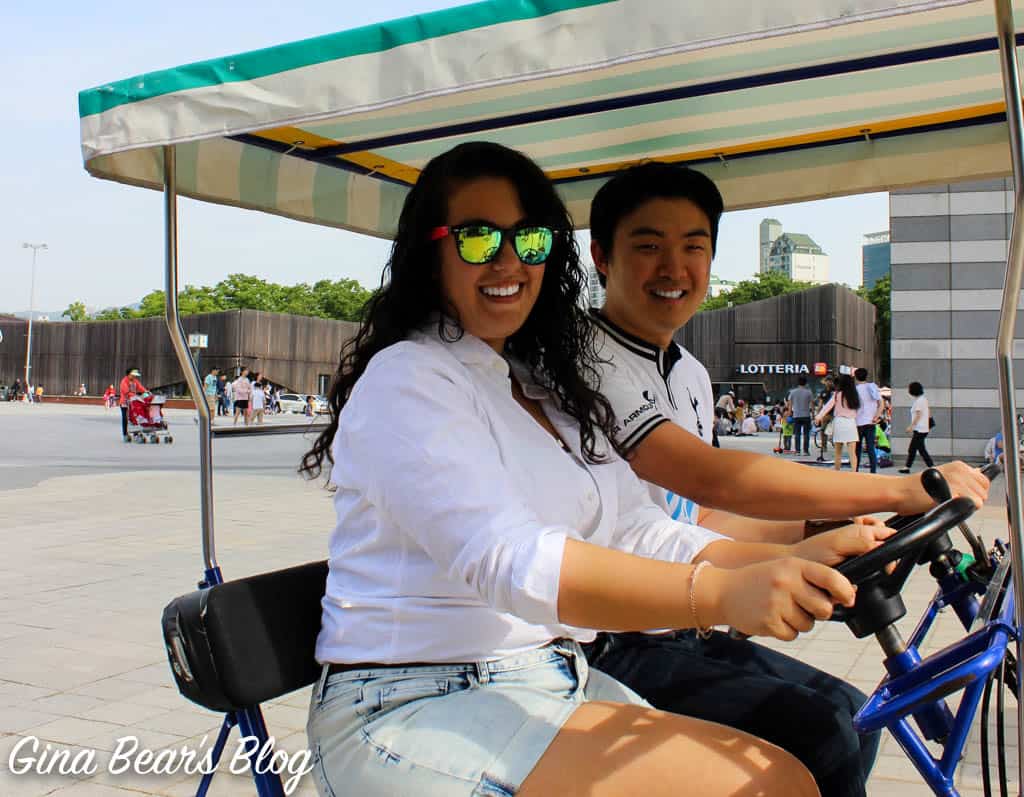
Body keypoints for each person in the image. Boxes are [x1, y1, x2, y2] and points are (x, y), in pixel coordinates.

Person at [296, 141, 901, 797]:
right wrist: (719, 595)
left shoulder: (538, 387)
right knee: (774, 782)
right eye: (477, 238)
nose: (508, 259)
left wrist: (787, 557)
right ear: (428, 249)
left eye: (529, 239)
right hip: (409, 703)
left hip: (547, 676)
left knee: (803, 753)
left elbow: (639, 528)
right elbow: (512, 559)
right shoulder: (409, 379)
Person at [584, 161, 991, 796]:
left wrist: (818, 527)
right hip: (612, 630)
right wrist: (901, 487)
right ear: (600, 256)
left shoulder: (689, 373)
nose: (673, 268)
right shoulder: (583, 359)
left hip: (685, 618)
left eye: (693, 248)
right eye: (647, 246)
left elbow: (697, 517)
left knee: (857, 716)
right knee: (822, 729)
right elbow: (718, 480)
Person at [816, 373, 861, 472]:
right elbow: (858, 411)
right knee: (852, 453)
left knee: (838, 452)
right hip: (851, 423)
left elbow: (827, 407)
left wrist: (819, 417)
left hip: (839, 422)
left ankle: (837, 472)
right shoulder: (855, 395)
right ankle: (854, 473)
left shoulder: (837, 395)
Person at [900, 381, 935, 472]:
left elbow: (918, 415)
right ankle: (908, 467)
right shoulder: (923, 399)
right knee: (918, 448)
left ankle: (930, 466)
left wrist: (911, 426)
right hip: (922, 428)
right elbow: (928, 413)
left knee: (914, 449)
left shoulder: (919, 401)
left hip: (920, 429)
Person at [854, 368, 882, 473]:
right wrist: (876, 416)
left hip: (858, 422)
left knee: (857, 449)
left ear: (856, 377)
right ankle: (873, 471)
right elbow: (881, 404)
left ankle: (855, 470)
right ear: (866, 376)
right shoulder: (872, 387)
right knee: (871, 448)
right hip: (871, 422)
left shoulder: (855, 389)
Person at [787, 376, 814, 456]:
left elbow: (790, 404)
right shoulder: (809, 392)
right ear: (805, 383)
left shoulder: (793, 392)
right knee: (806, 434)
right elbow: (812, 404)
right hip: (806, 415)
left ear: (798, 383)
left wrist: (789, 414)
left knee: (797, 434)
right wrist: (813, 414)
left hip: (796, 415)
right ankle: (806, 451)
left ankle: (797, 451)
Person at [118, 368, 146, 441]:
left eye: (135, 375)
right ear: (129, 374)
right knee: (125, 418)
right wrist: (135, 396)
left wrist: (146, 393)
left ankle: (135, 433)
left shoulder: (135, 381)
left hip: (133, 402)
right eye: (133, 375)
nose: (134, 376)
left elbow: (141, 388)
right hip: (125, 403)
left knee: (135, 418)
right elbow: (126, 392)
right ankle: (125, 434)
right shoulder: (124, 381)